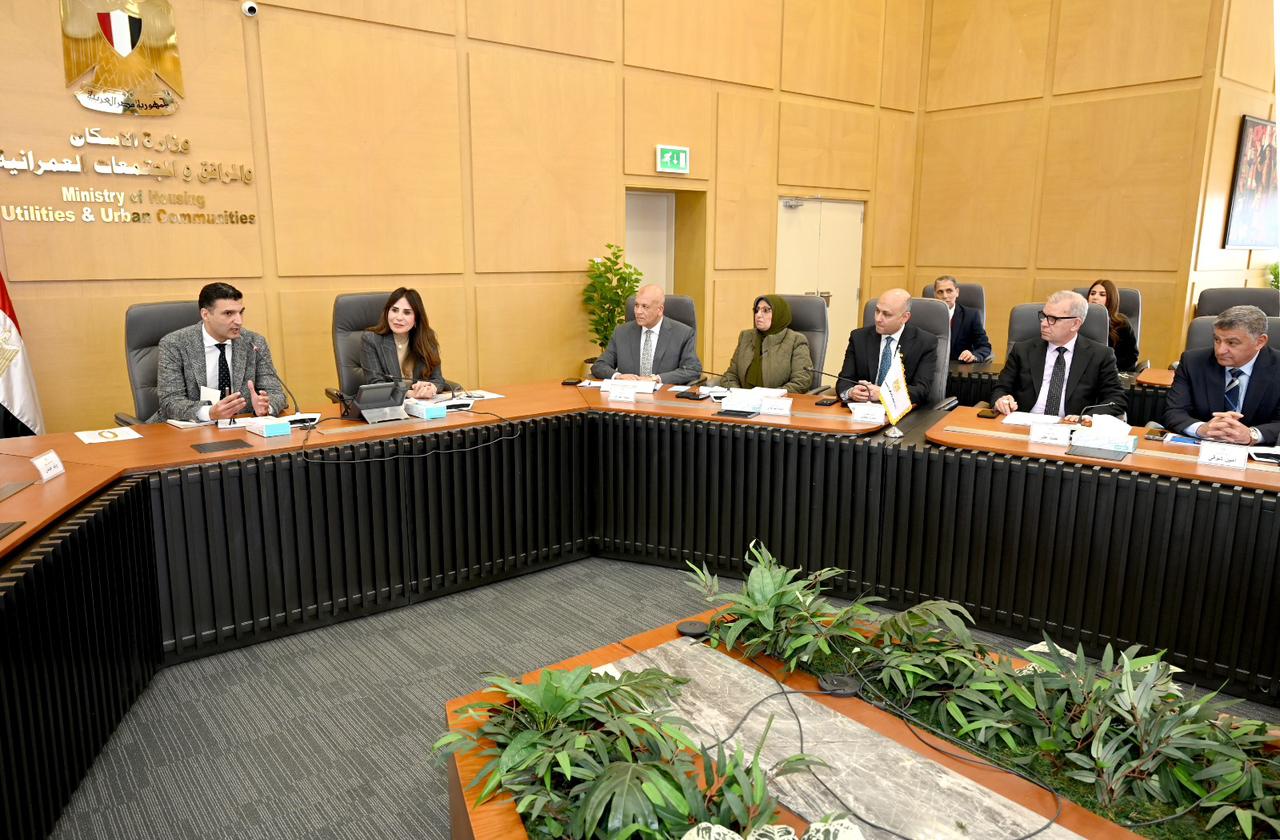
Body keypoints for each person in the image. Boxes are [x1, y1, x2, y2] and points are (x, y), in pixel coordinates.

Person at [152, 282, 287, 422]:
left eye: (240, 312)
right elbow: (170, 402)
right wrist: (209, 413)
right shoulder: (174, 344)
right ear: (205, 314)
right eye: (228, 313)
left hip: (241, 426)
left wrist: (266, 407)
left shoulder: (254, 343)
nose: (239, 321)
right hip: (187, 428)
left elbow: (276, 393)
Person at [991, 290, 1126, 418]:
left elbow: (1116, 399)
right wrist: (1001, 399)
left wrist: (1087, 417)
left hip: (1071, 427)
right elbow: (1001, 388)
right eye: (1044, 316)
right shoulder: (1022, 350)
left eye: (1052, 319)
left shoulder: (1100, 355)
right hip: (1023, 424)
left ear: (1075, 324)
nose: (1044, 323)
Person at [1163, 305, 1280, 445]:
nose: (1220, 350)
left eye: (1232, 343)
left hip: (1258, 452)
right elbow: (1174, 412)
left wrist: (1252, 434)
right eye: (1217, 340)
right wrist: (1201, 429)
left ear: (1259, 342)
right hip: (1201, 447)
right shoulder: (1193, 362)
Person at [835, 288, 937, 406]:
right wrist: (851, 392)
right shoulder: (859, 338)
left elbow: (921, 389)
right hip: (862, 409)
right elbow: (844, 381)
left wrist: (884, 394)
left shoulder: (924, 342)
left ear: (905, 317)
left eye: (886, 314)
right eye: (877, 311)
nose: (878, 319)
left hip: (902, 411)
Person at [591, 284, 702, 384]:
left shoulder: (683, 334)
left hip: (663, 396)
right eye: (636, 305)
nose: (638, 311)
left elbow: (692, 370)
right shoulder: (622, 332)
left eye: (645, 306)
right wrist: (618, 376)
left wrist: (656, 379)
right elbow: (599, 365)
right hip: (628, 396)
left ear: (660, 310)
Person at [361, 288, 447, 399]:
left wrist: (432, 387)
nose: (399, 318)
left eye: (407, 312)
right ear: (387, 312)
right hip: (388, 406)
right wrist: (410, 394)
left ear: (416, 318)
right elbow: (376, 385)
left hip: (422, 405)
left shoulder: (427, 338)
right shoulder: (371, 340)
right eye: (394, 310)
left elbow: (438, 379)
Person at [719, 295, 813, 392]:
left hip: (776, 400)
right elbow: (730, 376)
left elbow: (801, 381)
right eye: (757, 310)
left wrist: (771, 396)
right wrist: (738, 394)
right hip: (742, 399)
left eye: (765, 310)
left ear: (779, 314)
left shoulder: (796, 340)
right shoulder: (745, 337)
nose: (758, 315)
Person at [933, 275, 991, 363]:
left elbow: (984, 346)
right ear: (935, 295)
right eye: (940, 292)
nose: (945, 296)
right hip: (932, 366)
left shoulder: (970, 315)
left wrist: (973, 355)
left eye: (949, 291)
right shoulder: (927, 316)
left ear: (957, 292)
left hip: (959, 366)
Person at [1086, 279, 1139, 371]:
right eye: (1092, 293)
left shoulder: (1122, 324)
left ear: (1111, 299)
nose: (1095, 297)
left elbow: (1131, 357)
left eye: (1102, 295)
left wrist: (1108, 370)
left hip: (1113, 372)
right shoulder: (1078, 321)